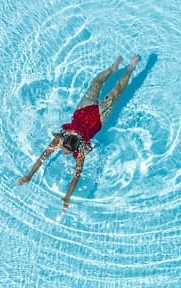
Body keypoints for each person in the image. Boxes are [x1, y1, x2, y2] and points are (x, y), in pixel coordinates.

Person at [18, 54, 139, 208]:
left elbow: (76, 176)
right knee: (100, 84)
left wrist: (67, 197)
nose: (64, 152)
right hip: (84, 109)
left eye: (67, 151)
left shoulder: (78, 149)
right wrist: (29, 176)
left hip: (97, 117)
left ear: (75, 147)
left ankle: (128, 68)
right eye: (65, 149)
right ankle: (117, 68)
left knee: (114, 91)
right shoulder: (61, 140)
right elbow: (44, 158)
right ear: (65, 139)